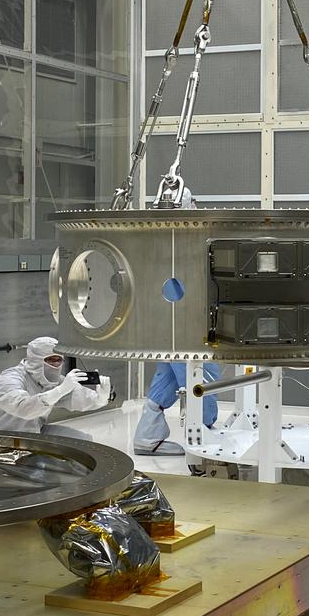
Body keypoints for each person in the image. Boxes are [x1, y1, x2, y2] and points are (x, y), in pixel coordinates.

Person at [134, 185, 221, 456]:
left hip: (167, 326)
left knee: (169, 378)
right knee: (199, 376)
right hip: (185, 327)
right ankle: (203, 433)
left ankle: (147, 438)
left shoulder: (161, 239)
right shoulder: (179, 243)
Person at [0, 336, 111, 433]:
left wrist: (100, 398)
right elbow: (24, 408)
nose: (55, 365)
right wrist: (59, 391)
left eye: (58, 360)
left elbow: (79, 398)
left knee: (80, 441)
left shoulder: (55, 382)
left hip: (34, 433)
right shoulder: (10, 378)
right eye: (50, 360)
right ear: (36, 360)